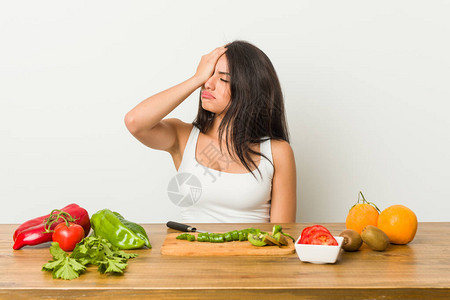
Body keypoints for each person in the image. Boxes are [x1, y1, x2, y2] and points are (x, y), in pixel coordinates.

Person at [125, 40, 296, 223]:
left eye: (222, 78)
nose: (208, 84)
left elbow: (283, 236)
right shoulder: (183, 137)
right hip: (189, 250)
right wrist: (196, 78)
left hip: (250, 252)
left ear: (249, 89)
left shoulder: (277, 151)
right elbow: (135, 122)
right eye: (208, 75)